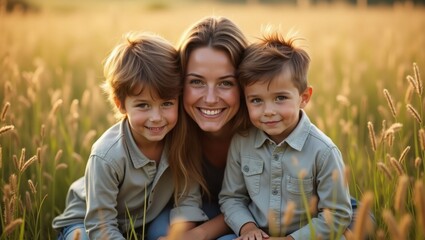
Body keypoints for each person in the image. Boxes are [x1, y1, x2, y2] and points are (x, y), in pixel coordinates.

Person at [51, 31, 194, 239]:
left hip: (142, 220)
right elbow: (101, 226)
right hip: (86, 222)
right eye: (143, 105)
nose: (156, 117)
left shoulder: (181, 141)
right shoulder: (107, 155)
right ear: (120, 105)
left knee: (167, 230)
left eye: (167, 103)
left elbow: (188, 200)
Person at [219, 32, 352, 240]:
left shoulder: (323, 151)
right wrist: (248, 229)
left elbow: (337, 214)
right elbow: (231, 197)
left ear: (304, 97)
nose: (268, 110)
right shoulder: (242, 142)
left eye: (280, 98)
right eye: (256, 100)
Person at [148, 16, 251, 240]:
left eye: (226, 83)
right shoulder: (168, 124)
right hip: (202, 209)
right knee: (159, 232)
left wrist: (200, 235)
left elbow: (266, 204)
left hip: (251, 218)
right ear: (180, 83)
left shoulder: (265, 123)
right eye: (196, 82)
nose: (211, 99)